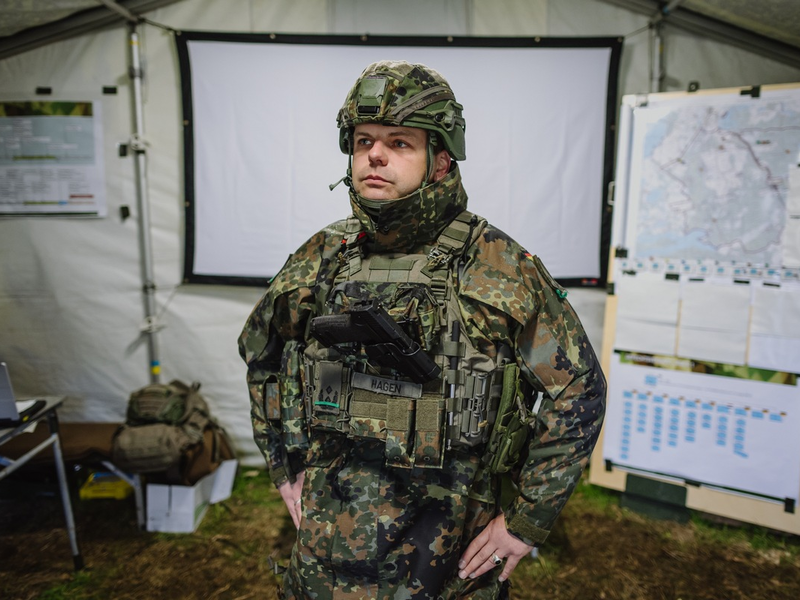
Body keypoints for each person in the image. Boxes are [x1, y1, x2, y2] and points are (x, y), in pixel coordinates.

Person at [239, 60, 606, 599]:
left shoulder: (497, 265)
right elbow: (263, 354)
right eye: (363, 141)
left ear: (441, 159)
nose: (375, 155)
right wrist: (284, 464)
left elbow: (579, 391)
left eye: (399, 143)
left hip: (446, 566)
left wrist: (525, 520)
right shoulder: (323, 255)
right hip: (325, 564)